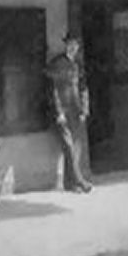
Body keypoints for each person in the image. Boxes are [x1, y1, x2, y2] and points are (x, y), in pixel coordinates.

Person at [46, 33, 93, 193]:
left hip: (76, 109)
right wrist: (58, 112)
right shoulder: (58, 64)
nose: (73, 47)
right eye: (70, 44)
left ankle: (70, 184)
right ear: (66, 46)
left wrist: (85, 109)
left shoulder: (78, 65)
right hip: (63, 110)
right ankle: (80, 180)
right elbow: (54, 90)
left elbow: (83, 88)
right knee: (69, 145)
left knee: (75, 147)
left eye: (75, 44)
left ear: (78, 47)